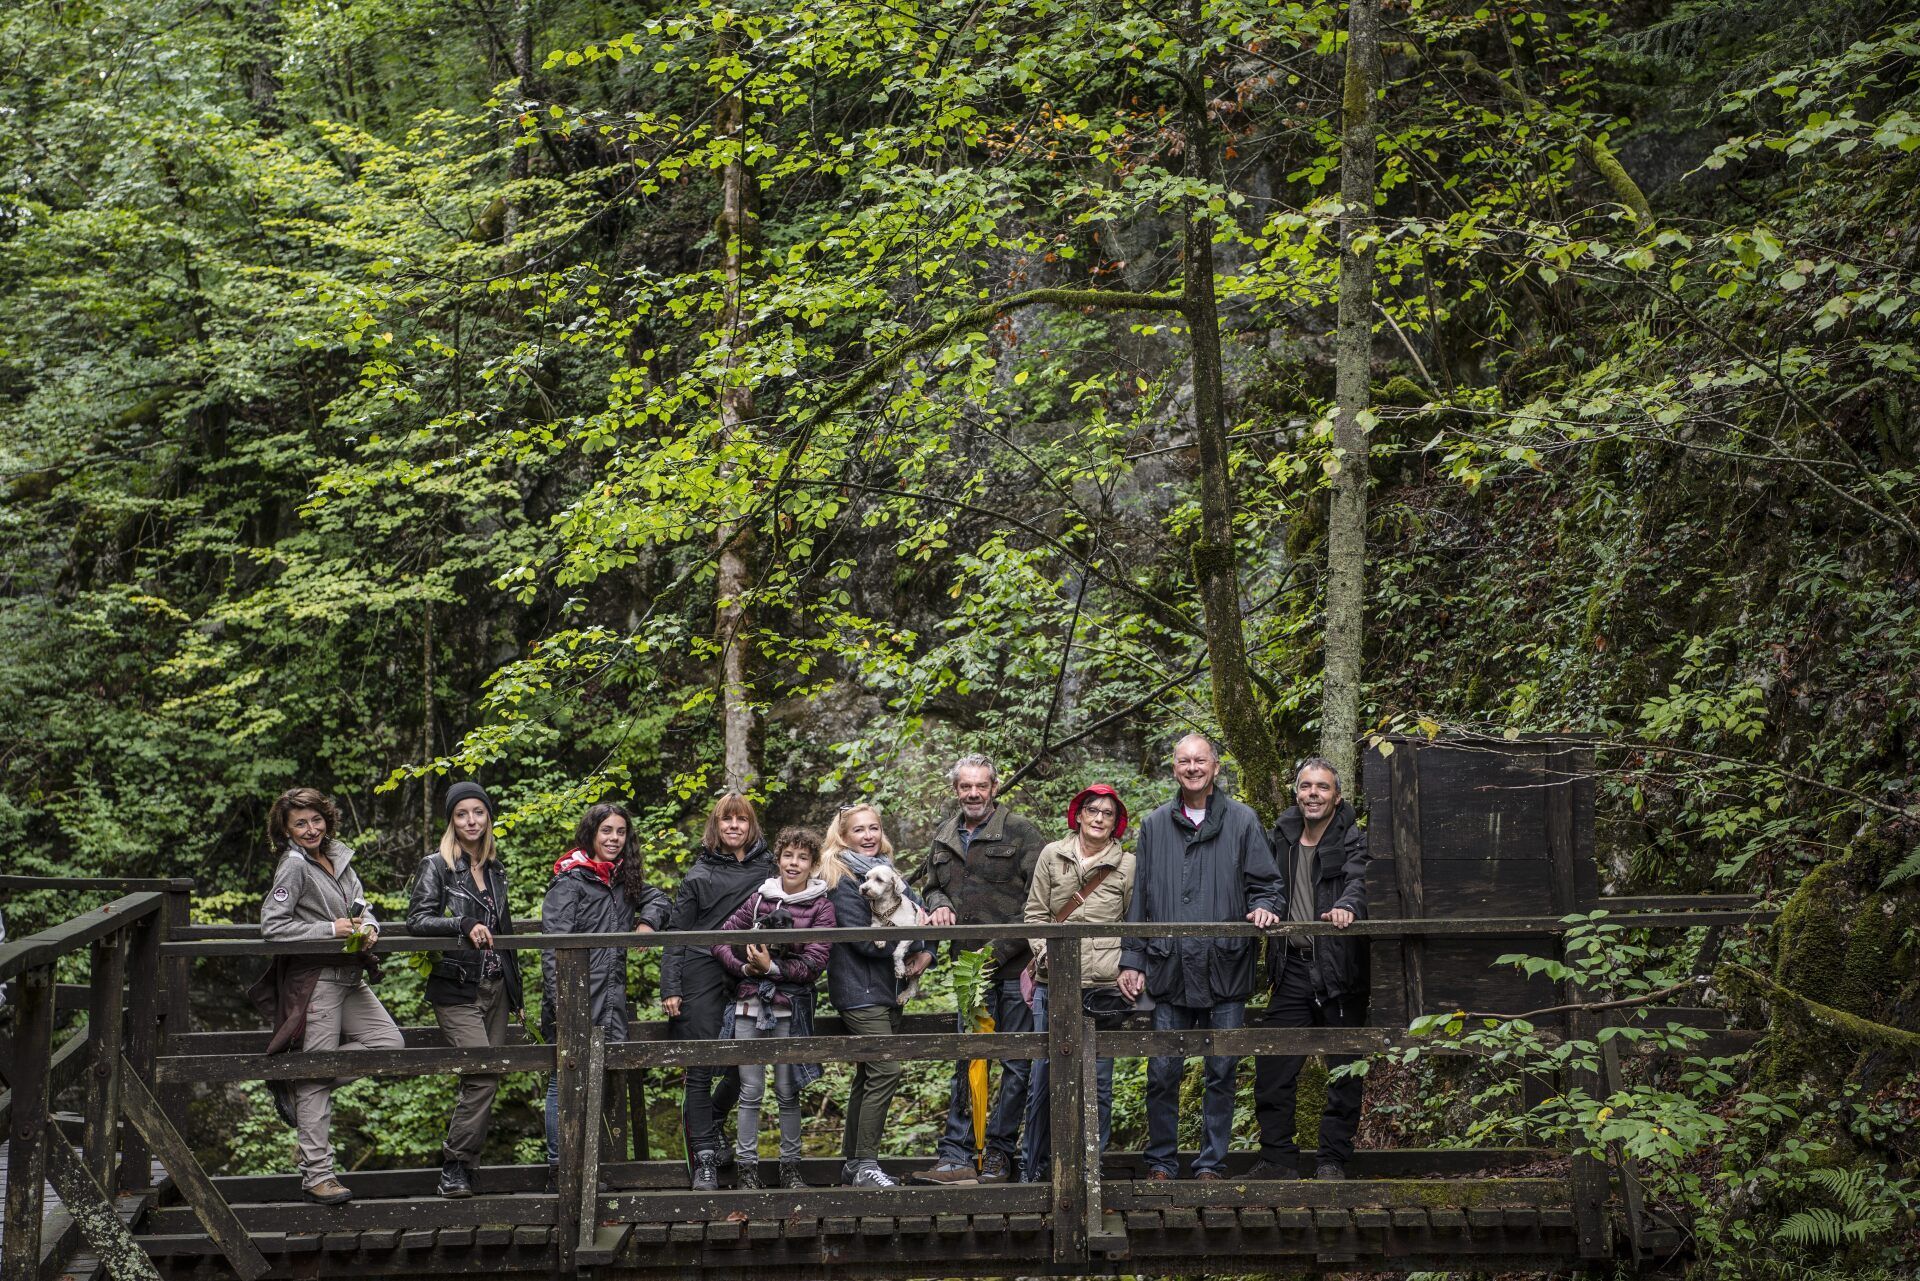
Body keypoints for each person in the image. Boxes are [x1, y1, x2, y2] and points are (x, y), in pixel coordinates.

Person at [1118, 734, 1283, 1181]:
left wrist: (1266, 905)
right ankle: (1160, 1162)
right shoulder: (1153, 825)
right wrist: (1132, 959)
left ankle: (1211, 1163)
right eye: (1184, 761)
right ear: (1174, 768)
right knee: (1163, 1071)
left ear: (1215, 766)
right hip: (1168, 967)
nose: (1192, 768)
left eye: (1200, 760)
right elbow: (1141, 900)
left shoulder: (1244, 821)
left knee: (1222, 1070)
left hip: (1225, 966)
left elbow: (1268, 884)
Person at [256, 786, 404, 1206]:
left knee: (388, 1044)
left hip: (350, 975)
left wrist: (370, 925)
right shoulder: (293, 867)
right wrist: (329, 930)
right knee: (318, 1075)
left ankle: (296, 1084)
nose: (310, 829)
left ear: (327, 818)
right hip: (317, 978)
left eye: (316, 819)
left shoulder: (338, 855)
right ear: (285, 829)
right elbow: (273, 927)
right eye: (299, 823)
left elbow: (361, 903)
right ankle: (318, 1177)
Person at [913, 753, 1047, 1186]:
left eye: (981, 786)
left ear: (994, 787)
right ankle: (957, 1154)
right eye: (965, 787)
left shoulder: (1022, 832)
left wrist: (998, 952)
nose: (973, 793)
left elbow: (1038, 899)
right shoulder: (945, 835)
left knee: (1014, 1064)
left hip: (1014, 970)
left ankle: (999, 1154)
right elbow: (930, 886)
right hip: (967, 970)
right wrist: (938, 906)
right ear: (956, 790)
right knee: (968, 1058)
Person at [1252, 757, 1371, 1180]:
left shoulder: (1353, 838)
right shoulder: (1280, 838)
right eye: (1306, 786)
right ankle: (1278, 1160)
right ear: (1296, 792)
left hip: (1340, 970)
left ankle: (1331, 1160)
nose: (1313, 794)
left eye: (1322, 787)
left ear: (1336, 796)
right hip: (1292, 968)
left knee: (1343, 1070)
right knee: (1273, 1065)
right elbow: (1262, 882)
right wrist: (1264, 906)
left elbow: (1361, 879)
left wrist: (1348, 906)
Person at [539, 801, 671, 1184]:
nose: (614, 838)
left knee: (601, 1079)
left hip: (611, 1000)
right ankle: (559, 1168)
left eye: (620, 832)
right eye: (606, 831)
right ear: (591, 834)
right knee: (563, 1081)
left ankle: (593, 1168)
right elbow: (554, 949)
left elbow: (659, 899)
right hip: (575, 998)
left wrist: (646, 923)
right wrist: (564, 1003)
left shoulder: (620, 879)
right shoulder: (571, 881)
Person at [407, 780, 525, 1198]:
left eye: (478, 812)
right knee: (483, 1075)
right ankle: (454, 1165)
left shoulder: (495, 869)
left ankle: (468, 1168)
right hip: (456, 987)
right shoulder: (436, 865)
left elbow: (505, 932)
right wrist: (461, 924)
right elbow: (417, 920)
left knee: (485, 1077)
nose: (471, 820)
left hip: (496, 987)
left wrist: (518, 995)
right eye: (462, 814)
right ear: (451, 821)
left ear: (487, 817)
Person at [1020, 783, 1135, 1183]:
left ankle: (1090, 1167)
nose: (1099, 818)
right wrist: (1040, 952)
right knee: (1044, 1076)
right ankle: (1034, 1167)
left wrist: (1130, 966)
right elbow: (1035, 913)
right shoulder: (1053, 855)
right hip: (1054, 982)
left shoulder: (1128, 865)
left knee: (1098, 1080)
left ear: (1115, 821)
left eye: (1107, 812)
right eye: (1093, 810)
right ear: (1079, 815)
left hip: (1102, 985)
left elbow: (1135, 923)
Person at [710, 826, 836, 1190]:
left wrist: (775, 969)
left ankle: (790, 1168)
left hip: (791, 1009)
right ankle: (747, 1169)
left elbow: (816, 962)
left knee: (787, 1091)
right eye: (788, 856)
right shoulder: (759, 898)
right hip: (749, 1003)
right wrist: (746, 968)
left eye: (802, 857)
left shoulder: (821, 907)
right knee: (750, 1092)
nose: (793, 863)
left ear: (812, 864)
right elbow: (721, 939)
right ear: (778, 859)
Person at [662, 791, 773, 1191]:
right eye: (726, 820)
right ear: (716, 825)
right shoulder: (698, 874)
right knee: (700, 1062)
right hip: (700, 967)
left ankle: (712, 1119)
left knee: (744, 1061)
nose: (733, 826)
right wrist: (671, 985)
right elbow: (677, 931)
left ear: (751, 825)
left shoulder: (770, 869)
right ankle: (704, 1157)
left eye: (741, 820)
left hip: (749, 969)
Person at [820, 803, 932, 1187]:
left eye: (873, 828)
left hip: (888, 988)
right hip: (859, 989)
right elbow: (864, 941)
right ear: (843, 836)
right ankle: (867, 1164)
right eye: (858, 830)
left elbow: (918, 912)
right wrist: (905, 941)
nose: (867, 835)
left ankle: (853, 1164)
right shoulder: (844, 878)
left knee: (868, 1074)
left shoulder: (888, 872)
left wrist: (925, 950)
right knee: (886, 1069)